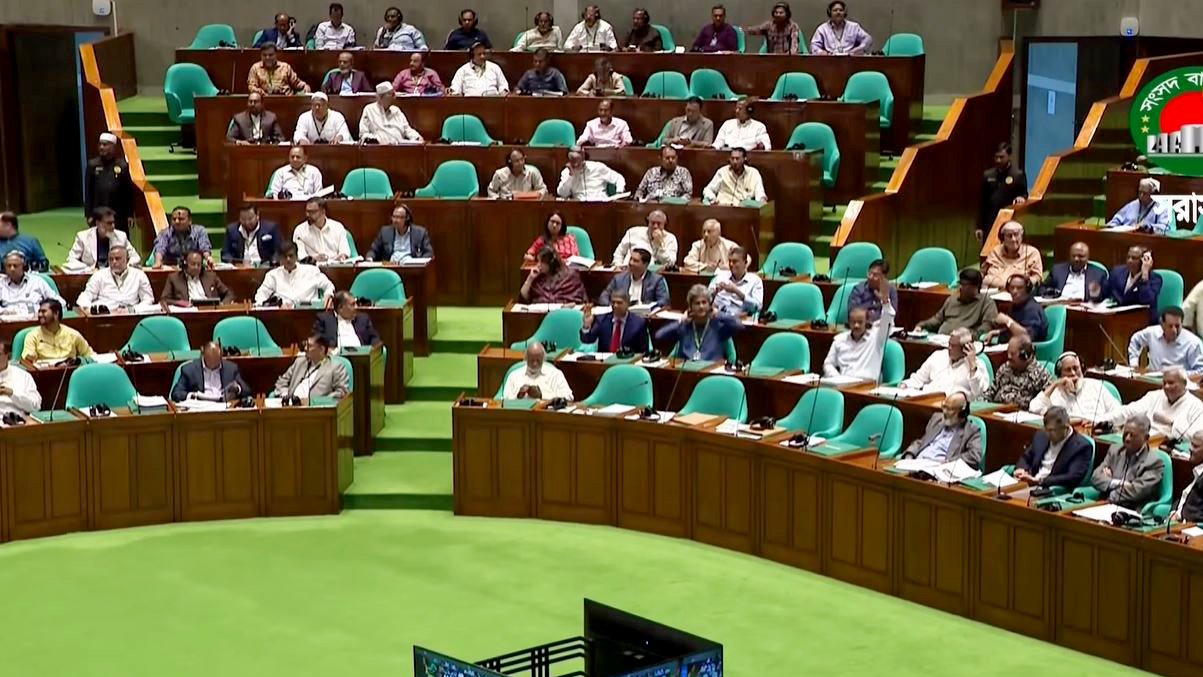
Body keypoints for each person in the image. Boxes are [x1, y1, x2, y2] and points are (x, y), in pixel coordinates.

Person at [1104, 367, 1203, 439]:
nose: (1166, 387)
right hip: (1141, 440)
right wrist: (1102, 421)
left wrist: (1171, 423)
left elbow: (1196, 436)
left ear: (1184, 384)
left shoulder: (1196, 406)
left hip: (1165, 446)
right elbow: (1129, 411)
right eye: (1164, 383)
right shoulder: (1154, 396)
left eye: (1171, 383)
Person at [822, 286, 895, 381]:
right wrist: (837, 378)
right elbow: (828, 364)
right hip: (844, 383)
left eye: (860, 322)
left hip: (866, 385)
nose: (856, 325)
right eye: (853, 322)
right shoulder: (839, 340)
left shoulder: (877, 337)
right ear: (848, 322)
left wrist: (886, 303)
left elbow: (888, 320)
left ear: (867, 322)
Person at [1091, 415, 1164, 509]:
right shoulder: (1115, 450)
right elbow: (1095, 477)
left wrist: (1109, 487)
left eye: (1132, 435)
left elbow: (1136, 491)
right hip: (1103, 504)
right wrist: (1118, 483)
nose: (1127, 439)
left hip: (1129, 509)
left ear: (1146, 438)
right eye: (1125, 434)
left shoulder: (1153, 462)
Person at [655, 284, 744, 361]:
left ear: (710, 305)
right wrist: (681, 321)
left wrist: (718, 314)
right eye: (697, 303)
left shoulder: (719, 326)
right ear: (690, 307)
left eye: (704, 302)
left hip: (711, 370)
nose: (701, 306)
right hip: (687, 369)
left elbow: (739, 325)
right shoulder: (685, 326)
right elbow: (659, 336)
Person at [1013, 407, 1094, 489]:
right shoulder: (1041, 435)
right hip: (1028, 482)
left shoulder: (1081, 446)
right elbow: (1026, 457)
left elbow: (1072, 477)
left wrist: (1039, 481)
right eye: (1046, 429)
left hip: (1050, 489)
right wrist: (1022, 469)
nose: (1047, 434)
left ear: (1065, 428)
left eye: (1051, 430)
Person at [1029, 351, 1121, 421]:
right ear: (1060, 374)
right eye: (1068, 370)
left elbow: (1119, 412)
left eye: (1076, 368)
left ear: (1082, 369)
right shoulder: (1055, 393)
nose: (1073, 373)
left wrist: (1101, 422)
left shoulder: (1096, 386)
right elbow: (1034, 408)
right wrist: (1054, 384)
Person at [900, 392, 982, 469]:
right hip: (917, 464)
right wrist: (909, 454)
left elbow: (974, 456)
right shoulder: (937, 419)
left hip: (938, 468)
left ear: (962, 413)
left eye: (949, 409)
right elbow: (922, 441)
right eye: (944, 407)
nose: (944, 412)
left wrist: (948, 462)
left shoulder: (971, 431)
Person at [899, 328, 989, 398]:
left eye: (953, 346)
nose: (949, 348)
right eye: (949, 344)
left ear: (965, 348)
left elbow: (979, 393)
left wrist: (972, 366)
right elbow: (918, 378)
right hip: (927, 400)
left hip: (953, 409)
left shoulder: (977, 365)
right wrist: (905, 385)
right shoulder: (938, 356)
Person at [914, 269, 998, 335]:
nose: (960, 287)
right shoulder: (951, 300)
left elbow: (986, 327)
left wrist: (968, 335)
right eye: (960, 283)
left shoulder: (987, 303)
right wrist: (921, 325)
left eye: (964, 285)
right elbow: (937, 319)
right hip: (941, 338)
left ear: (975, 287)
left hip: (963, 343)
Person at [1127, 307, 1203, 375]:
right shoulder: (1152, 333)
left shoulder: (1193, 343)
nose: (1174, 330)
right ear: (1162, 324)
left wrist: (1178, 375)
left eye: (1177, 326)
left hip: (1179, 383)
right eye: (1170, 326)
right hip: (1151, 379)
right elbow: (1135, 340)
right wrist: (1134, 364)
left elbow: (1201, 371)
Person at [255, 243, 335, 306]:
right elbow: (261, 294)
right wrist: (263, 304)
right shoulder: (272, 275)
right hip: (283, 314)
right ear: (280, 259)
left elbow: (329, 286)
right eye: (285, 257)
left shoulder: (311, 271)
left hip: (309, 312)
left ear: (296, 256)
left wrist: (328, 295)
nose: (288, 259)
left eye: (291, 256)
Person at [75, 245, 154, 310]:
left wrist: (133, 310)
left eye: (117, 259)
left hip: (130, 315)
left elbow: (148, 299)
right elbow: (85, 297)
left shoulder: (139, 275)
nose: (114, 262)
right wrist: (92, 310)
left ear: (127, 260)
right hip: (105, 316)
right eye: (111, 259)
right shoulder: (99, 275)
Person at [170, 341, 251, 403]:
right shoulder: (189, 370)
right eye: (210, 361)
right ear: (203, 356)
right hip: (200, 411)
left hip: (224, 408)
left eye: (216, 361)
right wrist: (193, 396)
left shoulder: (231, 368)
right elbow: (176, 393)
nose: (213, 364)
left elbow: (247, 390)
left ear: (221, 356)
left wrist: (237, 388)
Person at [274, 334, 350, 400]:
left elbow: (342, 391)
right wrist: (285, 395)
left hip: (316, 409)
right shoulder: (299, 362)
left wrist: (322, 401)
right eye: (305, 345)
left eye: (309, 346)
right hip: (291, 406)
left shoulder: (336, 367)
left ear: (321, 349)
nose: (305, 348)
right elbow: (281, 382)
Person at [985, 335, 1051, 408]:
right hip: (996, 410)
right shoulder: (1005, 367)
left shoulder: (1040, 374)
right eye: (1008, 352)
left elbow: (1044, 403)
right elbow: (990, 392)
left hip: (1022, 412)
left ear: (1025, 355)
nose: (1009, 356)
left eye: (1012, 354)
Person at [978, 142, 1027, 240]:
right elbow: (982, 203)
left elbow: (1024, 194)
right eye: (996, 157)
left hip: (1009, 221)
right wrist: (979, 226)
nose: (998, 160)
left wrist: (1021, 197)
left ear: (1009, 156)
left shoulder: (1018, 175)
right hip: (990, 221)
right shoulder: (988, 175)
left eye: (1001, 157)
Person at [84, 132, 133, 232]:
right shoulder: (92, 165)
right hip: (98, 214)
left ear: (113, 146)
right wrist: (89, 214)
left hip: (119, 215)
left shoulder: (122, 165)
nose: (101, 147)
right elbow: (88, 192)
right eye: (100, 144)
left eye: (105, 144)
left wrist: (130, 214)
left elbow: (128, 192)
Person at [66, 207, 141, 271]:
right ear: (98, 223)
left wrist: (125, 267)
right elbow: (71, 259)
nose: (113, 226)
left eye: (113, 223)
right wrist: (88, 269)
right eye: (109, 223)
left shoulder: (121, 236)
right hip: (92, 275)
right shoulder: (83, 237)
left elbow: (135, 257)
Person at [21, 300, 94, 362]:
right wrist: (30, 357)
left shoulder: (73, 335)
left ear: (56, 313)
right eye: (39, 311)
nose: (40, 315)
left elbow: (90, 356)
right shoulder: (32, 336)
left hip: (70, 371)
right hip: (43, 373)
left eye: (43, 311)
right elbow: (27, 360)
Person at [1105, 245, 1162, 324]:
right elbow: (1106, 291)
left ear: (1144, 260)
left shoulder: (1155, 279)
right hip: (1117, 317)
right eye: (1128, 257)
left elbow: (1146, 300)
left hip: (1142, 320)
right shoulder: (1117, 272)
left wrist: (1144, 276)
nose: (1130, 261)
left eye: (1134, 258)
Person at [984, 274, 1047, 343]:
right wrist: (996, 332)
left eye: (1019, 288)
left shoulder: (1032, 309)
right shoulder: (1016, 305)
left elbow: (1027, 337)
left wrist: (1007, 320)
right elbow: (1015, 328)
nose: (1014, 291)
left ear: (1027, 289)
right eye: (1012, 288)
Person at [312, 291, 382, 352]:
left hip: (361, 356)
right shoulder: (324, 319)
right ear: (340, 308)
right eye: (352, 304)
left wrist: (373, 349)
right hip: (336, 358)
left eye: (356, 303)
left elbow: (374, 337)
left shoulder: (363, 318)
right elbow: (317, 339)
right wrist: (327, 350)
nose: (356, 307)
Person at [161, 250, 234, 307]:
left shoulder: (211, 277)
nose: (196, 267)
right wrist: (180, 303)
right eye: (193, 264)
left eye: (199, 265)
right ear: (185, 263)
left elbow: (229, 293)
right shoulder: (174, 278)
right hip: (187, 313)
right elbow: (164, 299)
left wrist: (223, 304)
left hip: (209, 311)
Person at [581, 291, 648, 353]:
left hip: (628, 359)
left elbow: (643, 350)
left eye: (619, 303)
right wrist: (586, 326)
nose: (615, 305)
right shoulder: (602, 320)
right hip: (605, 360)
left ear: (627, 304)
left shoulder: (639, 323)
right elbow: (587, 340)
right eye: (613, 302)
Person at [599, 248, 669, 307]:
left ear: (645, 264)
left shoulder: (656, 280)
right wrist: (613, 306)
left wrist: (648, 307)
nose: (631, 263)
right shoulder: (619, 279)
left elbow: (664, 301)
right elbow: (604, 296)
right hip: (623, 314)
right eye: (630, 259)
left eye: (635, 261)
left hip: (645, 316)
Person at [982, 221, 1042, 289]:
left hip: (1018, 292)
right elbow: (983, 273)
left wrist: (1025, 284)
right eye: (1009, 236)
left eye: (1016, 235)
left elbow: (1037, 277)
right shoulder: (995, 251)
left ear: (1022, 236)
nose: (1013, 239)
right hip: (993, 291)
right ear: (1002, 238)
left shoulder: (1032, 253)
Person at [0, 252, 63, 316]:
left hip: (35, 319)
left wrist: (44, 312)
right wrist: (4, 312)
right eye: (9, 266)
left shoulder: (37, 282)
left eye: (15, 266)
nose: (12, 269)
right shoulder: (1, 283)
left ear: (24, 267)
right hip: (8, 319)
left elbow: (60, 302)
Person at [1040, 241, 1107, 302]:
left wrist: (1096, 295)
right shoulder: (1057, 270)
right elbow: (1042, 288)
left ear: (1088, 257)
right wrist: (1052, 295)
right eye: (1073, 256)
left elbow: (1105, 295)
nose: (1076, 259)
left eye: (1080, 256)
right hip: (1060, 306)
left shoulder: (1098, 273)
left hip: (1085, 308)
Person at [503, 342, 573, 400]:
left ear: (543, 358)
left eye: (538, 360)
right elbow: (504, 399)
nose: (535, 364)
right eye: (531, 360)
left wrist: (542, 395)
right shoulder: (514, 375)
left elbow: (569, 397)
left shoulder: (555, 374)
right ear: (526, 358)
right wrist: (518, 396)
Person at [366, 204, 434, 263]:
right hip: (391, 266)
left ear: (407, 218)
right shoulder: (385, 232)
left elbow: (429, 253)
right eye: (394, 217)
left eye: (399, 217)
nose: (395, 220)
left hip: (411, 267)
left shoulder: (420, 232)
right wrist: (370, 258)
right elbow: (373, 249)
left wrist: (419, 263)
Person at [359, 82, 423, 144]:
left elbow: (407, 129)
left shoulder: (396, 110)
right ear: (380, 97)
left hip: (399, 147)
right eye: (391, 94)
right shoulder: (369, 109)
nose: (394, 97)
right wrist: (377, 141)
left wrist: (417, 137)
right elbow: (363, 134)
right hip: (379, 148)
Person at [519, 247, 587, 304]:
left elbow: (578, 301)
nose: (538, 265)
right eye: (538, 261)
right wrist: (530, 278)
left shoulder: (570, 275)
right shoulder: (538, 277)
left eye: (542, 262)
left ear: (551, 262)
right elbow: (524, 299)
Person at [612, 210, 677, 268]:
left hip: (655, 275)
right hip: (628, 271)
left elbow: (670, 263)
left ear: (664, 224)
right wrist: (618, 266)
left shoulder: (670, 239)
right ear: (648, 222)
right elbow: (619, 253)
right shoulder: (633, 232)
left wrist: (659, 245)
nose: (655, 226)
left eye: (659, 224)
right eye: (653, 223)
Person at [708, 247, 762, 316]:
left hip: (740, 317)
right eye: (729, 261)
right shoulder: (720, 277)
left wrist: (737, 291)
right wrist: (715, 292)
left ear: (745, 263)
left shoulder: (755, 281)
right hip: (717, 315)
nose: (731, 264)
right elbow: (705, 299)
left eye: (735, 261)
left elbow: (758, 307)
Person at [293, 198, 350, 263]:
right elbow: (300, 256)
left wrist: (342, 256)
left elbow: (345, 250)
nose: (308, 215)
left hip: (335, 265)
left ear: (323, 212)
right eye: (307, 211)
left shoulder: (337, 227)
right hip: (311, 266)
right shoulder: (299, 230)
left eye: (312, 212)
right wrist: (315, 258)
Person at [556, 147, 625, 200]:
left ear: (583, 158)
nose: (576, 165)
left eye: (578, 161)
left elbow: (619, 178)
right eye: (573, 161)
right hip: (580, 207)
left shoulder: (598, 167)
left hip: (600, 203)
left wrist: (619, 192)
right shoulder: (566, 172)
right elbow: (562, 194)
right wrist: (570, 176)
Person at [848, 259, 898, 323]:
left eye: (875, 275)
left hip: (883, 326)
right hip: (863, 325)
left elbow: (890, 317)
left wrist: (885, 301)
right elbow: (854, 314)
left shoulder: (891, 290)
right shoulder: (858, 289)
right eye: (869, 273)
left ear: (884, 277)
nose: (870, 277)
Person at [0, 339, 41, 416]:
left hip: (16, 419)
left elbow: (36, 406)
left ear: (8, 355)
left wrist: (12, 394)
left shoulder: (23, 376)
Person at [1171, 430, 1203, 522]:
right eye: (1191, 444)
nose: (1190, 449)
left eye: (1195, 446)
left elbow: (1197, 512)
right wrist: (1174, 512)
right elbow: (1184, 496)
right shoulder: (1195, 470)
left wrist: (1180, 517)